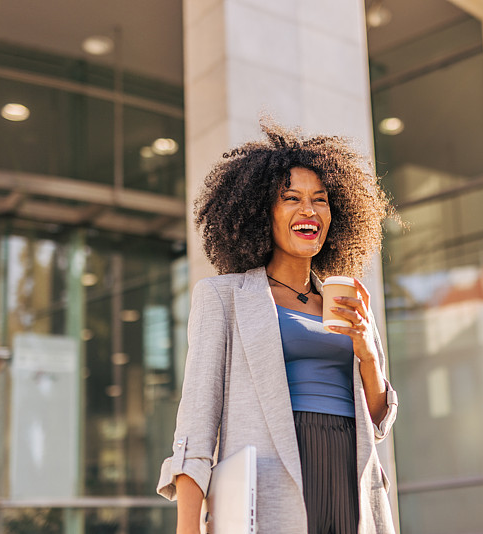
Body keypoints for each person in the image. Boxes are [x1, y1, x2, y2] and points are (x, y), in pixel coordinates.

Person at [157, 122, 399, 534]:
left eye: (320, 200)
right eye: (291, 199)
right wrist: (188, 527)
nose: (309, 210)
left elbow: (377, 423)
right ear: (260, 212)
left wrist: (368, 354)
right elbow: (197, 424)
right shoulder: (224, 297)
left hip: (352, 476)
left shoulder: (349, 303)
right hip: (271, 485)